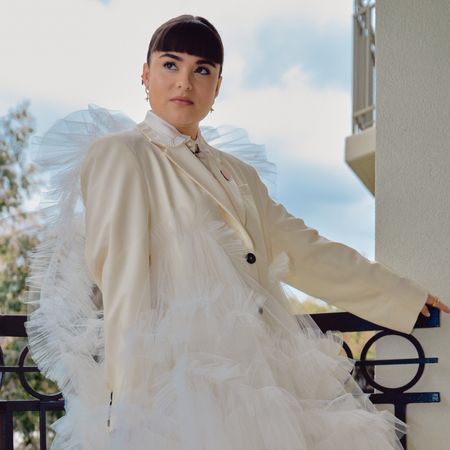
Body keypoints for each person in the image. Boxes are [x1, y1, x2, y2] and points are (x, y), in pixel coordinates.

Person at [24, 14, 449, 450]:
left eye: (201, 70)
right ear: (145, 74)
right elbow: (123, 282)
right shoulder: (122, 154)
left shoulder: (238, 173)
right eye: (171, 65)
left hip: (264, 377)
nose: (184, 83)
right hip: (179, 386)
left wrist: (403, 295)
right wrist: (128, 410)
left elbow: (305, 249)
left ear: (217, 86)